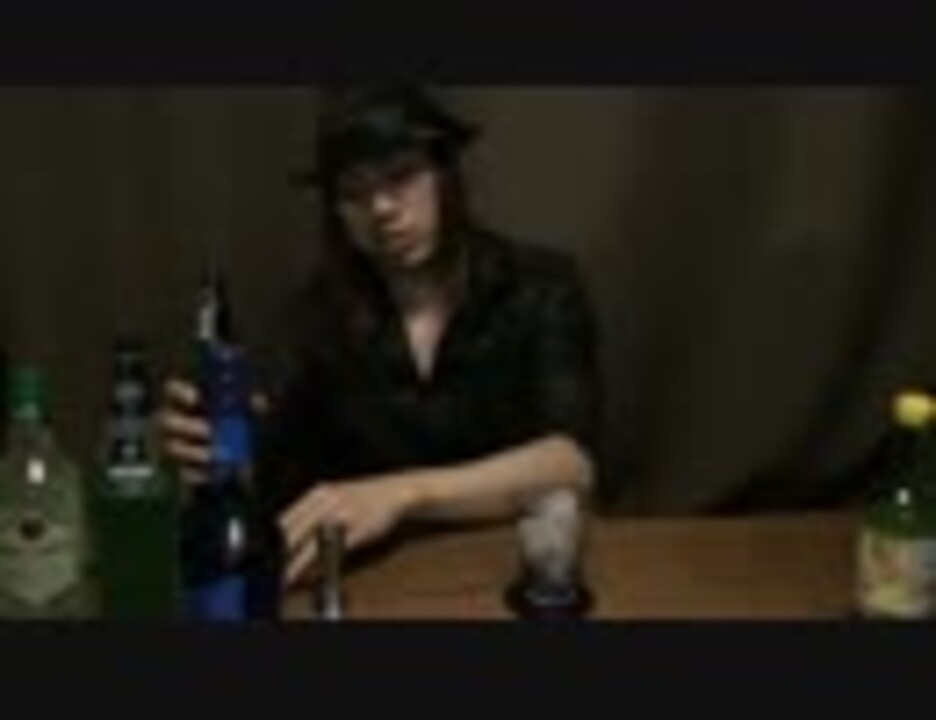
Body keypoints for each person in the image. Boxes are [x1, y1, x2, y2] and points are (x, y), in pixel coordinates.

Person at [158, 85, 601, 592]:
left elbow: (571, 465)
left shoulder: (543, 287)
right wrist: (204, 437)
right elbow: (262, 436)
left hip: (520, 572)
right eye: (354, 193)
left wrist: (401, 494)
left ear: (445, 175)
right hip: (384, 582)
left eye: (401, 176)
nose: (382, 207)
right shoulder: (313, 319)